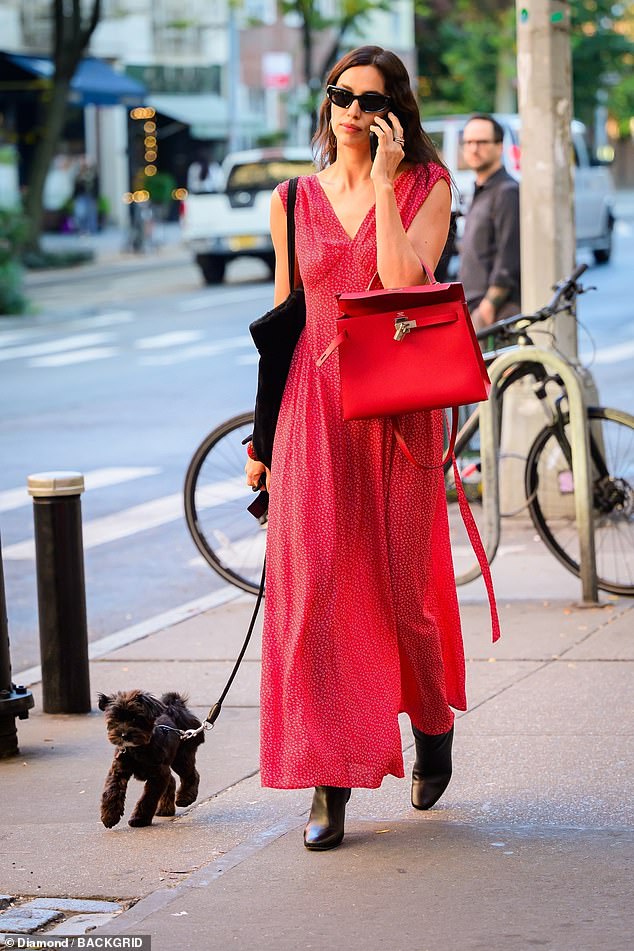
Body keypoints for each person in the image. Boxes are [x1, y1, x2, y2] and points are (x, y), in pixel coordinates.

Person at [245, 46, 469, 852]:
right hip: (310, 408)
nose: (350, 110)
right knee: (317, 595)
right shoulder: (290, 198)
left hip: (395, 412)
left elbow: (407, 285)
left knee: (403, 591)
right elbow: (282, 326)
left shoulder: (424, 187)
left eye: (370, 101)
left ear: (395, 113)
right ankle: (328, 779)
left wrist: (382, 179)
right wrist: (262, 437)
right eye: (341, 95)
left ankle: (433, 723)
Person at [458, 114, 521, 331]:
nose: (474, 149)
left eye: (482, 142)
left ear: (499, 146)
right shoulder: (480, 190)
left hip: (494, 313)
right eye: (468, 142)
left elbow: (509, 255)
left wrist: (488, 306)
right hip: (472, 305)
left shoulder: (507, 192)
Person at [72, 157, 99, 235]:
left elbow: (96, 187)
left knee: (91, 214)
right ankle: (82, 229)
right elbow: (76, 187)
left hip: (91, 196)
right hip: (81, 196)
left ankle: (91, 230)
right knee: (80, 214)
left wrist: (96, 197)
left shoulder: (93, 175)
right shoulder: (79, 175)